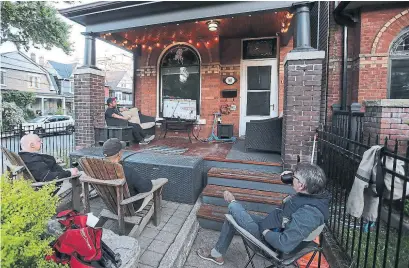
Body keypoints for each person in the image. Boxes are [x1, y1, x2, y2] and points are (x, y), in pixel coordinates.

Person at [197, 163, 330, 266]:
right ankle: (217, 253)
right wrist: (290, 177)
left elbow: (285, 244)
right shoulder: (315, 195)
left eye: (294, 176)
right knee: (234, 216)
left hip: (268, 243)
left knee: (233, 209)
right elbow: (299, 190)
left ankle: (217, 252)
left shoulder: (309, 214)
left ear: (301, 185)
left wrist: (266, 232)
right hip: (274, 226)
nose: (291, 177)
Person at [102, 138, 166, 211]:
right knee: (154, 187)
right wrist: (149, 182)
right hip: (129, 208)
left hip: (111, 206)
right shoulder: (127, 172)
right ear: (119, 154)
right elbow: (145, 188)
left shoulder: (98, 170)